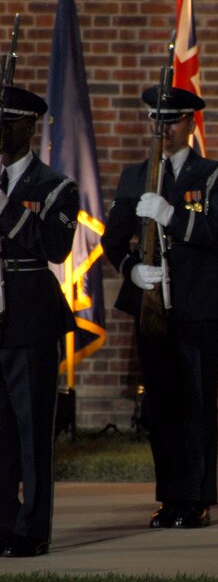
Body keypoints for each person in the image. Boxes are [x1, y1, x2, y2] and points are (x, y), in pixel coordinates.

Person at [101, 87, 218, 529]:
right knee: (161, 403)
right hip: (151, 299)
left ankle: (197, 496)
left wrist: (171, 215)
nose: (163, 128)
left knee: (196, 400)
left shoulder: (214, 174)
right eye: (156, 120)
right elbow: (112, 239)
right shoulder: (134, 175)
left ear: (190, 123)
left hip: (198, 300)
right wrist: (131, 270)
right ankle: (170, 496)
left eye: (173, 120)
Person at [0, 86, 78, 558]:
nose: (2, 130)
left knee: (32, 434)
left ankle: (33, 529)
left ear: (31, 128)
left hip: (30, 318)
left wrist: (7, 212)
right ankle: (3, 521)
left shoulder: (54, 187)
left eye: (11, 122)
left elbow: (56, 248)